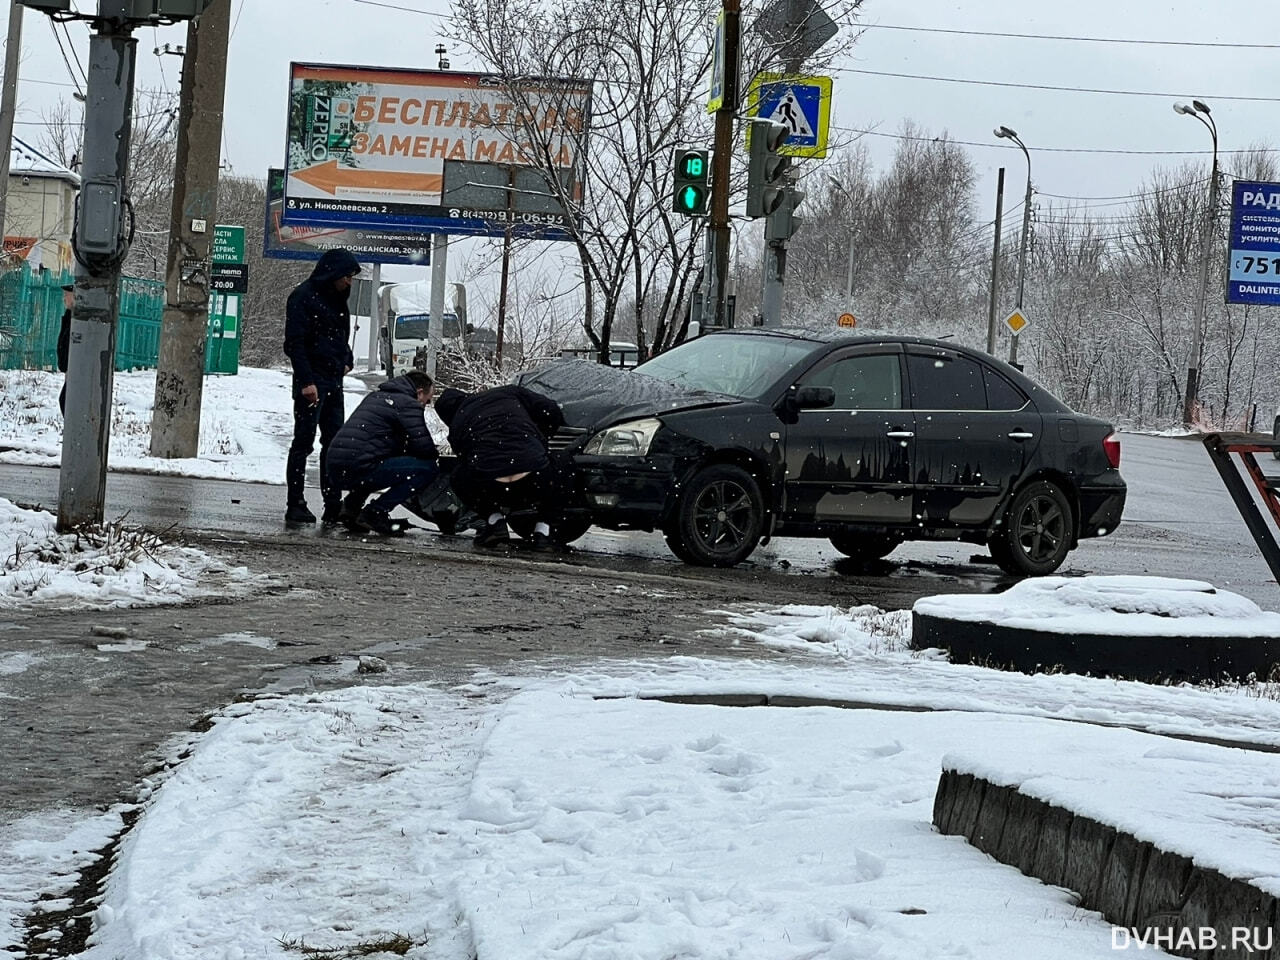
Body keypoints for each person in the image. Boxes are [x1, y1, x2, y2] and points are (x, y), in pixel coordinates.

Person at [282, 248, 362, 526]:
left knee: (334, 443)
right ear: (333, 274)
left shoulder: (338, 301)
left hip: (333, 381)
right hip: (312, 381)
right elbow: (295, 343)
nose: (349, 282)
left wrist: (346, 361)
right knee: (303, 442)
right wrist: (307, 381)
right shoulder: (303, 297)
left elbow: (341, 338)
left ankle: (333, 503)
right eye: (347, 277)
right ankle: (296, 503)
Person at [434, 384, 566, 551]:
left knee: (458, 476)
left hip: (492, 484)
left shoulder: (458, 422)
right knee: (563, 461)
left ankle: (494, 521)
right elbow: (550, 409)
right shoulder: (508, 392)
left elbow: (465, 459)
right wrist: (541, 439)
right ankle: (544, 531)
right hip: (535, 475)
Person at [325, 370, 439, 536]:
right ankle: (376, 512)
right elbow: (423, 446)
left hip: (336, 468)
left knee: (374, 461)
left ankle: (351, 508)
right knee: (428, 469)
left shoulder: (376, 397)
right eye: (427, 401)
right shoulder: (408, 403)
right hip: (359, 468)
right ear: (419, 392)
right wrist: (436, 456)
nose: (425, 405)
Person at [55, 283, 73, 416]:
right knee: (65, 401)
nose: (64, 299)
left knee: (66, 401)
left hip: (74, 368)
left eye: (67, 295)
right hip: (70, 368)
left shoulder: (76, 320)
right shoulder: (69, 316)